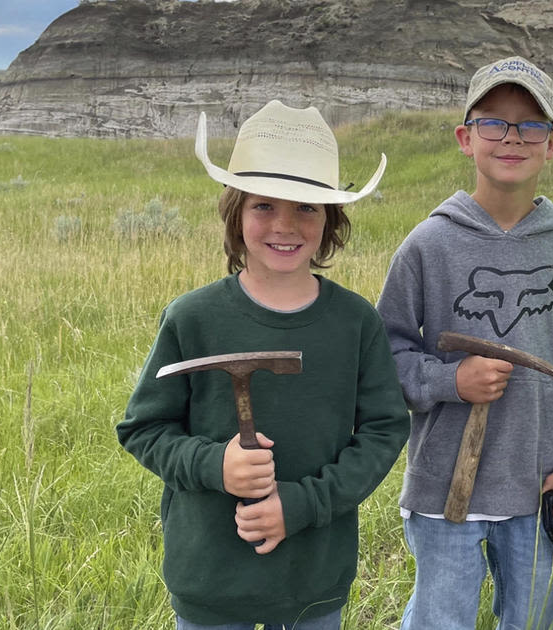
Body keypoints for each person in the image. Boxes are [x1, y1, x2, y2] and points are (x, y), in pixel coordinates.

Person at [117, 100, 410, 630]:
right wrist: (215, 466)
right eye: (263, 206)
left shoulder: (353, 322)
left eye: (307, 208)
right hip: (212, 577)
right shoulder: (193, 318)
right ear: (235, 212)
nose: (285, 224)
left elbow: (385, 429)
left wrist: (300, 505)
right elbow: (143, 429)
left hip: (313, 575)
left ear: (331, 219)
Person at [376, 56, 553, 630]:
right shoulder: (428, 244)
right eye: (494, 123)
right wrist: (448, 380)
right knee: (443, 618)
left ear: (552, 143)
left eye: (531, 126)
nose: (512, 138)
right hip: (445, 486)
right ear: (466, 137)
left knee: (534, 617)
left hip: (539, 487)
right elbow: (384, 355)